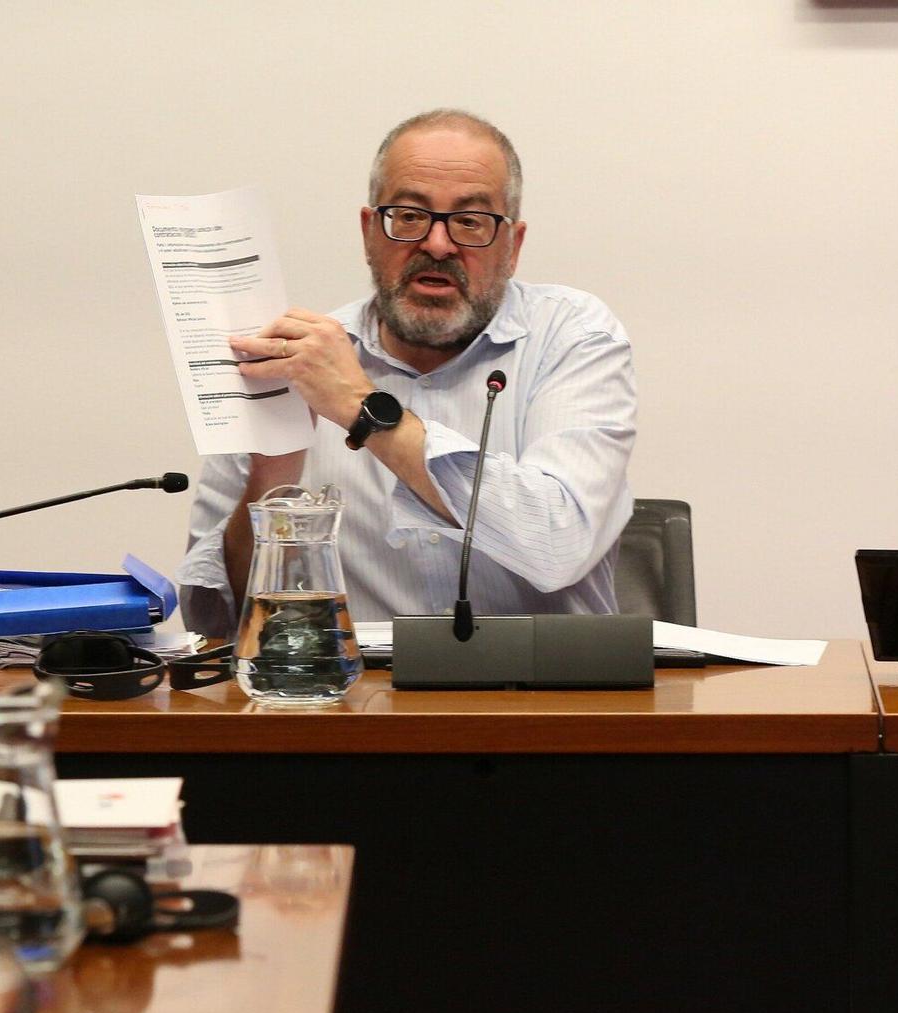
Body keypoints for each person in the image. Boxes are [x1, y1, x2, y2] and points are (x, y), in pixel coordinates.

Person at [178, 110, 636, 636]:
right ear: (371, 231)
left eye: (470, 222)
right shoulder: (294, 362)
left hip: (545, 701)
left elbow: (557, 545)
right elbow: (213, 620)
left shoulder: (574, 336)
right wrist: (271, 478)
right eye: (410, 216)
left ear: (514, 246)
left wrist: (364, 407)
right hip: (351, 702)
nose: (438, 245)